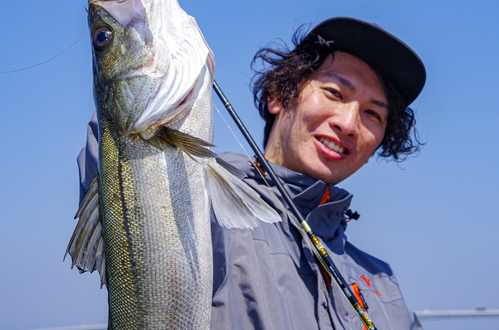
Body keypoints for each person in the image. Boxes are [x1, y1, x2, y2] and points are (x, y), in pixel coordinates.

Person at [77, 17, 425, 330]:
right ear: (278, 95)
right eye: (334, 93)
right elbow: (124, 147)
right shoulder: (202, 199)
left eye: (373, 114)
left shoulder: (384, 284)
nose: (348, 124)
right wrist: (140, 20)